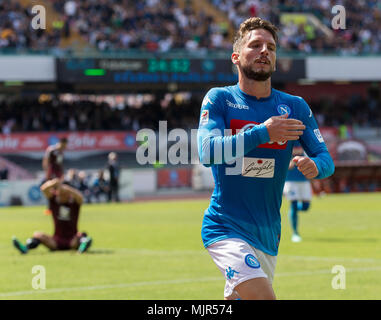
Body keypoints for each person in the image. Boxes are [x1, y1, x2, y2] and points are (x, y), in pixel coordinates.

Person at [197, 17, 334, 300]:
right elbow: (207, 152)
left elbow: (325, 159)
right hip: (225, 227)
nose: (264, 51)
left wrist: (315, 166)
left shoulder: (294, 106)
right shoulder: (219, 99)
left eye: (271, 47)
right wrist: (264, 132)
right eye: (255, 45)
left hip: (268, 234)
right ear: (236, 57)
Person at [12, 178, 92, 254]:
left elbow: (80, 197)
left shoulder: (74, 203)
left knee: (81, 235)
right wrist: (54, 183)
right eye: (59, 192)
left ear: (68, 194)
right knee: (38, 235)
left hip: (72, 240)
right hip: (56, 241)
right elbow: (43, 189)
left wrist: (66, 188)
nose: (59, 195)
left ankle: (82, 247)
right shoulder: (54, 201)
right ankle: (25, 248)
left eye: (63, 193)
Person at [283, 141, 312, 243]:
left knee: (306, 206)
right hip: (290, 180)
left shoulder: (304, 139)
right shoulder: (286, 140)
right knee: (294, 204)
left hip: (304, 179)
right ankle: (295, 233)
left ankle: (293, 211)